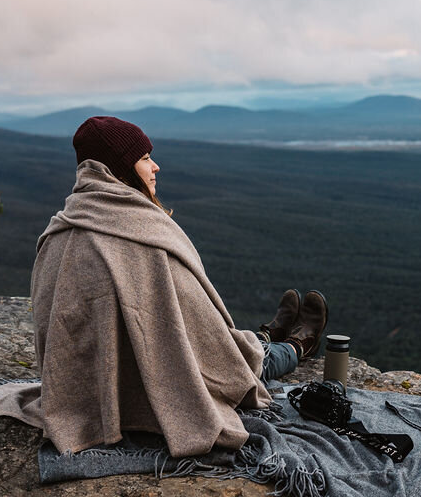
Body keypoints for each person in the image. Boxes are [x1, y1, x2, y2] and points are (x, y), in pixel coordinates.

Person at [30, 115, 328, 458]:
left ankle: (266, 336)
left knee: (233, 346)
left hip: (83, 392)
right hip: (151, 391)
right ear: (118, 168)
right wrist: (230, 350)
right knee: (243, 362)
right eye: (143, 159)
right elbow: (200, 333)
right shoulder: (143, 234)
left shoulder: (58, 231)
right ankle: (294, 346)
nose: (155, 167)